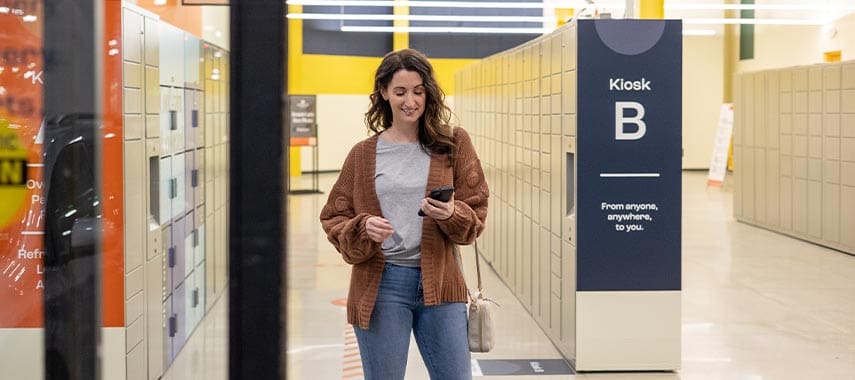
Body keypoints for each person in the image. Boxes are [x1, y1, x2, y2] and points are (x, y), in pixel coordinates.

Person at [319, 48, 489, 380]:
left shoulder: (452, 144)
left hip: (441, 283)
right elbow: (333, 216)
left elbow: (476, 211)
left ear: (428, 93)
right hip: (381, 286)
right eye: (400, 92)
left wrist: (452, 212)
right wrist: (362, 226)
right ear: (383, 93)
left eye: (418, 91)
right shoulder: (363, 154)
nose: (410, 101)